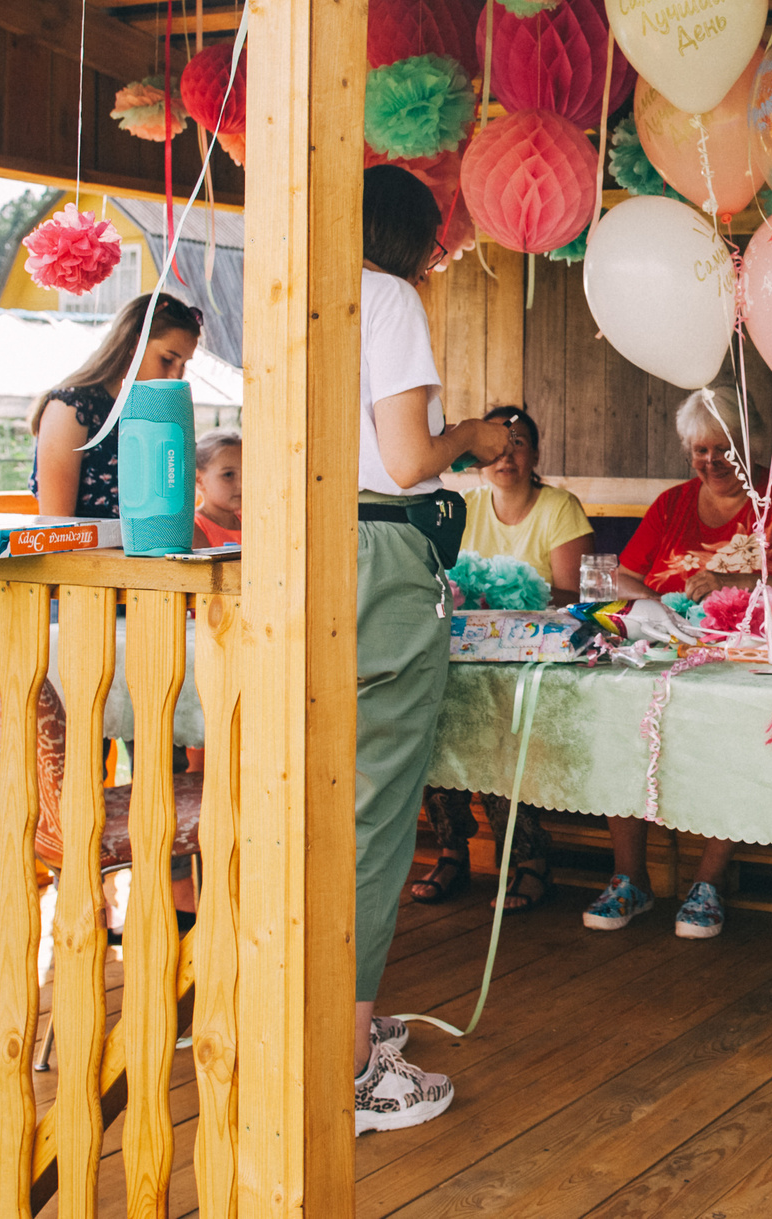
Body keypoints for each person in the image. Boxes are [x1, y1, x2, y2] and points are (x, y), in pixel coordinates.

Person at [346, 164, 515, 1133]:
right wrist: (477, 432)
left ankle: (312, 1017)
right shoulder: (388, 296)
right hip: (375, 557)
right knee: (373, 818)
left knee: (307, 797)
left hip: (292, 551)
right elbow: (409, 459)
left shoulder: (299, 300)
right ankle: (350, 1063)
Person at [592, 384, 772, 940]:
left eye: (723, 448)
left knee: (734, 729)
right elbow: (625, 574)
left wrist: (734, 582)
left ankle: (709, 880)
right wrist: (653, 606)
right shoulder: (672, 504)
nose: (711, 461)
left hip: (745, 655)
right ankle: (629, 877)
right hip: (668, 650)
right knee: (614, 716)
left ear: (748, 445)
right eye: (700, 450)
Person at [411, 404, 593, 913]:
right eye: (498, 443)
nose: (507, 455)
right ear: (476, 454)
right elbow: (440, 577)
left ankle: (530, 861)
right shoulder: (460, 503)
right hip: (465, 649)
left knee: (502, 732)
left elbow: (571, 596)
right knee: (438, 720)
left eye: (519, 443)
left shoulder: (559, 507)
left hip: (531, 657)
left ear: (534, 453)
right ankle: (452, 851)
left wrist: (510, 603)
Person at [30, 294, 203, 517]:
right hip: (86, 552)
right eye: (167, 359)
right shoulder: (71, 408)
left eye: (184, 365)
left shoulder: (156, 415)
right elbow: (57, 526)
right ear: (134, 343)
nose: (176, 376)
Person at [193, 428, 242, 548]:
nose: (242, 484)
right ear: (199, 480)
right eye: (228, 475)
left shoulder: (253, 522)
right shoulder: (194, 529)